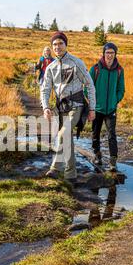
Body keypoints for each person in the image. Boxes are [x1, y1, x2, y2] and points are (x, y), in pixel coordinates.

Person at [41, 31, 96, 184]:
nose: (57, 47)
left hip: (77, 106)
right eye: (54, 44)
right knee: (67, 139)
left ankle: (56, 168)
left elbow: (89, 85)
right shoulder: (51, 67)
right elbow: (45, 89)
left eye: (60, 43)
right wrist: (46, 107)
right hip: (60, 107)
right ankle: (71, 174)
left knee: (62, 135)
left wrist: (92, 108)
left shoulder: (76, 63)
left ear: (66, 45)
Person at [89, 42, 125, 172]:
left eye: (112, 52)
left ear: (115, 54)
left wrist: (115, 100)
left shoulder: (119, 70)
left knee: (112, 135)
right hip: (97, 108)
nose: (109, 55)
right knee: (95, 134)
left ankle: (113, 162)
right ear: (103, 54)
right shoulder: (95, 69)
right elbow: (88, 87)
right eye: (107, 52)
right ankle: (97, 155)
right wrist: (92, 103)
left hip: (111, 109)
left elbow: (121, 89)